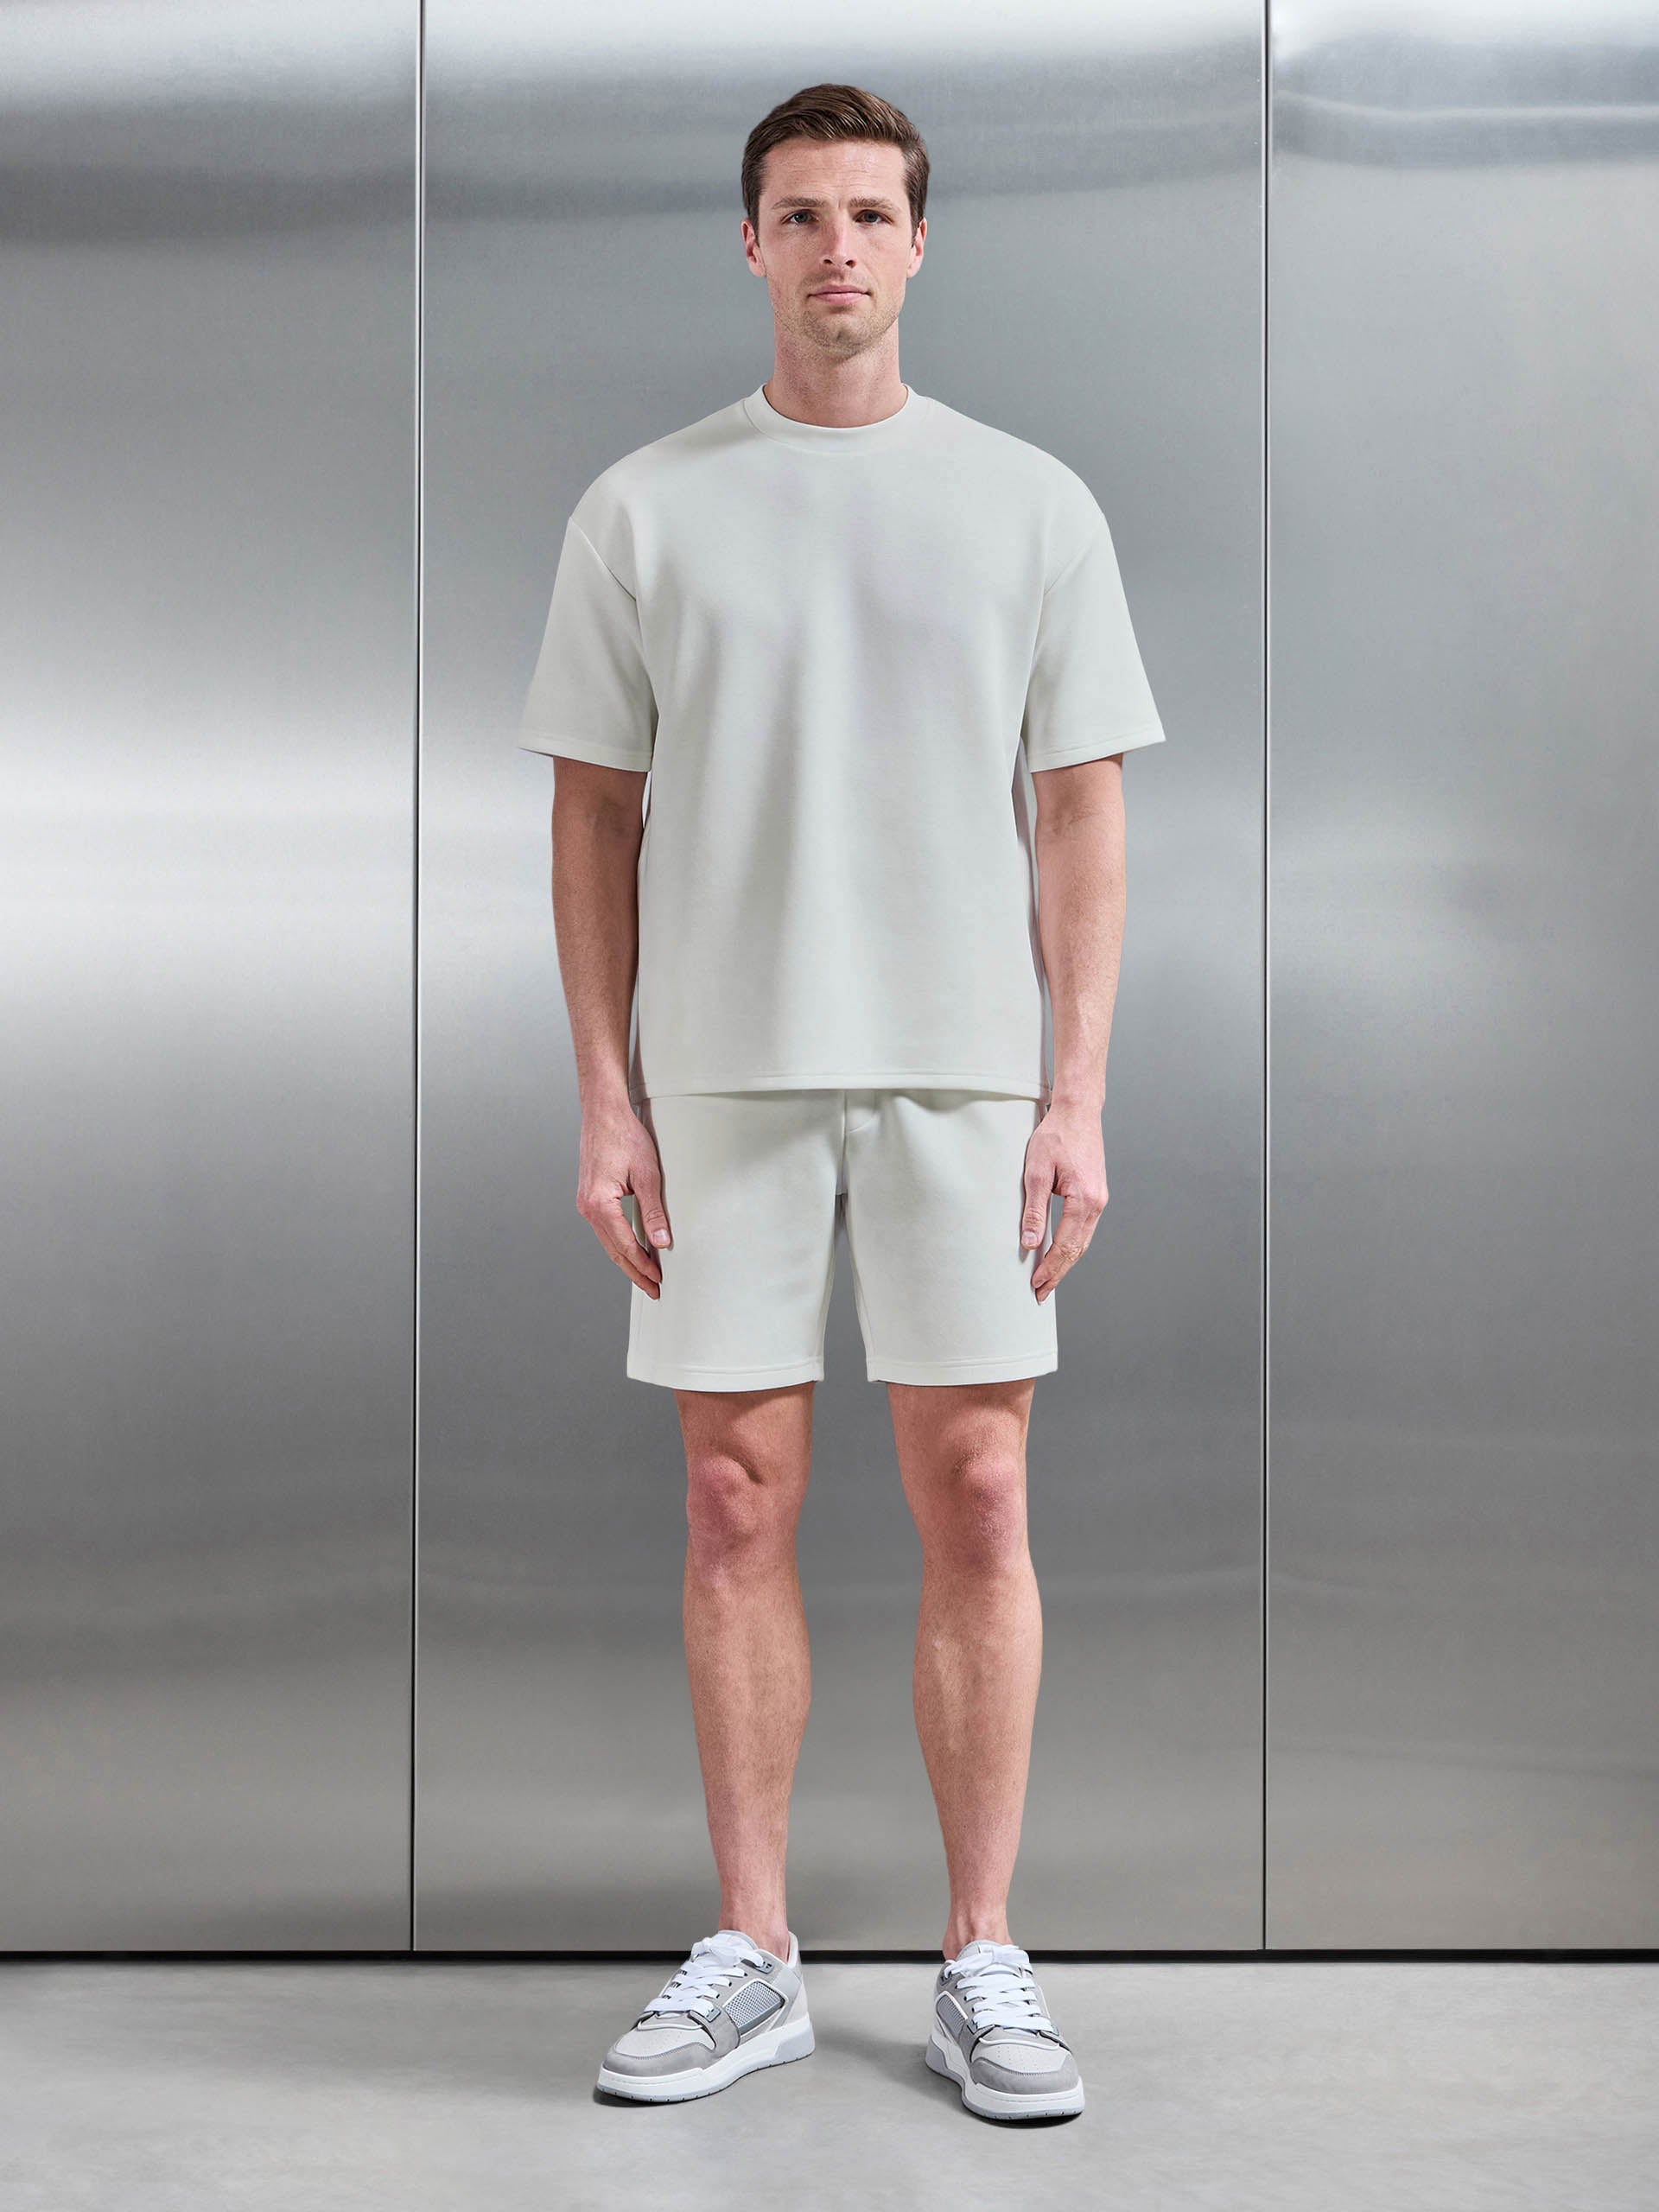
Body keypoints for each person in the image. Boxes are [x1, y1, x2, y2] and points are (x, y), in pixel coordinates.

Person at [518, 82, 1165, 2122]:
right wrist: (607, 1095)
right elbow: (594, 815)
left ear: (919, 242)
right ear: (749, 245)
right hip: (724, 1068)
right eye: (798, 216)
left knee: (980, 1493)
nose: (837, 250)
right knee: (735, 1498)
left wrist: (1075, 1090)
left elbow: (1081, 811)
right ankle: (757, 1953)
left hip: (967, 1072)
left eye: (870, 214)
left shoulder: (1032, 505)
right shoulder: (645, 509)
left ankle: (982, 1950)